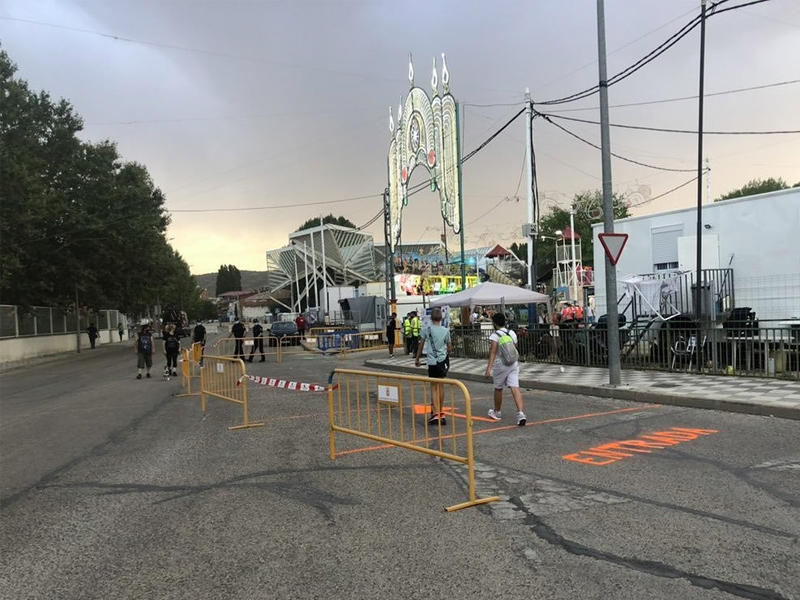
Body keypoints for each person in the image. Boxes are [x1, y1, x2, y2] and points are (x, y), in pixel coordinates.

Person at [484, 313, 526, 426]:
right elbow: (515, 347)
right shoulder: (511, 333)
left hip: (501, 365)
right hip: (513, 363)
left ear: (495, 324)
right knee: (515, 387)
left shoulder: (495, 335)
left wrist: (489, 368)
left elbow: (493, 352)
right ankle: (521, 413)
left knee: (498, 388)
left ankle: (497, 412)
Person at [415, 308, 452, 426]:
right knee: (441, 387)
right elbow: (450, 348)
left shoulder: (427, 329)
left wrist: (417, 358)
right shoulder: (446, 331)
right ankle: (441, 412)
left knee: (433, 388)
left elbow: (421, 345)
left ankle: (435, 413)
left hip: (432, 362)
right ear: (441, 318)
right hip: (442, 362)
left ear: (431, 319)